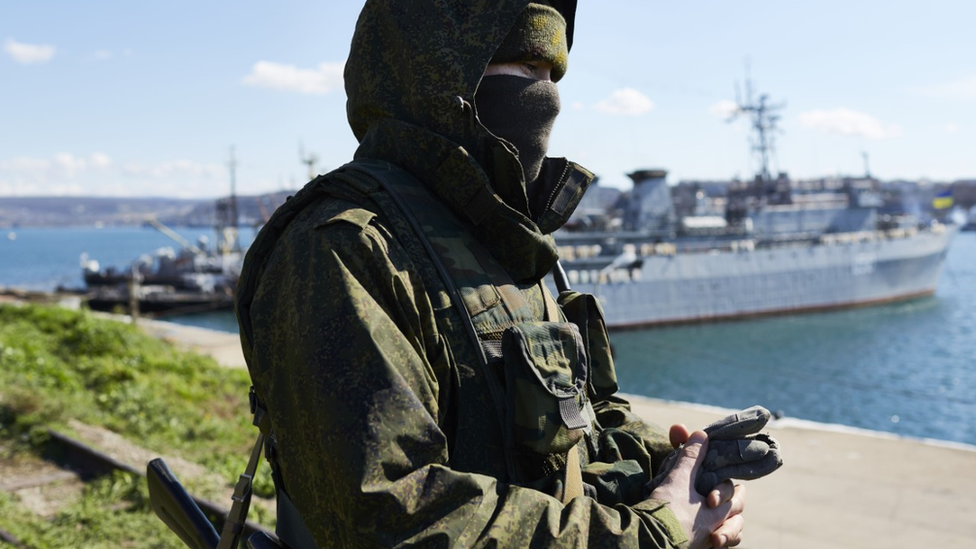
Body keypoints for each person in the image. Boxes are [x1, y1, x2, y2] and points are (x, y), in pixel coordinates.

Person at [235, 1, 747, 547]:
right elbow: (391, 515)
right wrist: (650, 535)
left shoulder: (506, 236)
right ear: (433, 71)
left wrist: (679, 464)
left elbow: (573, 429)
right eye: (525, 66)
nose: (545, 93)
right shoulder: (344, 249)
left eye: (553, 73)